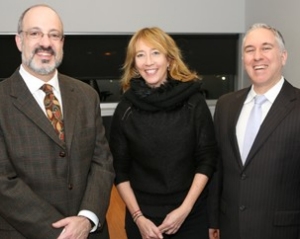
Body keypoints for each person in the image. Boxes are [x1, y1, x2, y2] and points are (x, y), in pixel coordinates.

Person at [0, 4, 115, 239]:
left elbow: (102, 163)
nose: (46, 42)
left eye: (54, 35)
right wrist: (59, 232)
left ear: (62, 43)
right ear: (19, 41)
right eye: (35, 33)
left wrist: (87, 218)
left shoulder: (86, 95)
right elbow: (3, 181)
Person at [109, 27, 217, 239]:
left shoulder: (194, 102)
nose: (148, 61)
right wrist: (139, 218)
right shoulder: (125, 109)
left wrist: (184, 210)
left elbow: (207, 159)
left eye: (155, 52)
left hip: (190, 215)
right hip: (142, 219)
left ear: (169, 59)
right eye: (140, 55)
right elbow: (119, 170)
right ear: (134, 63)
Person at [208, 23, 300, 239]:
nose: (257, 56)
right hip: (230, 228)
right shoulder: (225, 105)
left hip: (283, 232)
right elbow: (217, 167)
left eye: (266, 48)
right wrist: (213, 219)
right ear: (243, 59)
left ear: (283, 56)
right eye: (250, 50)